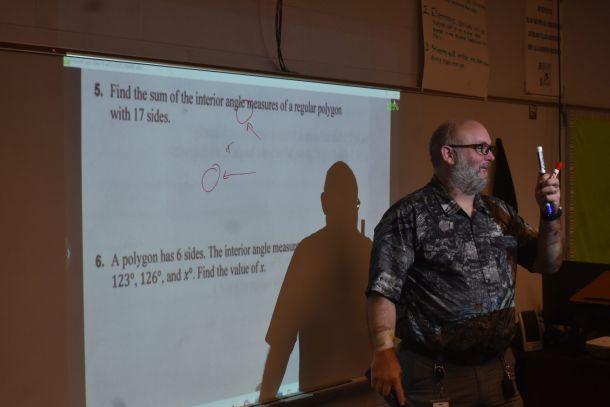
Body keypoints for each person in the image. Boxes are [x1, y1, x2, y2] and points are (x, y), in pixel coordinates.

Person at [366, 120, 563, 407]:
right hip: (437, 378)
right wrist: (383, 350)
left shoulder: (499, 212)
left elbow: (549, 263)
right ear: (449, 154)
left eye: (490, 149)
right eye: (481, 148)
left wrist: (551, 213)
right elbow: (383, 289)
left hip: (500, 374)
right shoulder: (409, 215)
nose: (490, 157)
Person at [259, 161, 372, 402]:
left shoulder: (308, 252)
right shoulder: (370, 252)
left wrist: (266, 396)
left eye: (354, 204)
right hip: (365, 395)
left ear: (324, 203)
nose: (352, 211)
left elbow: (282, 341)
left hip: (321, 398)